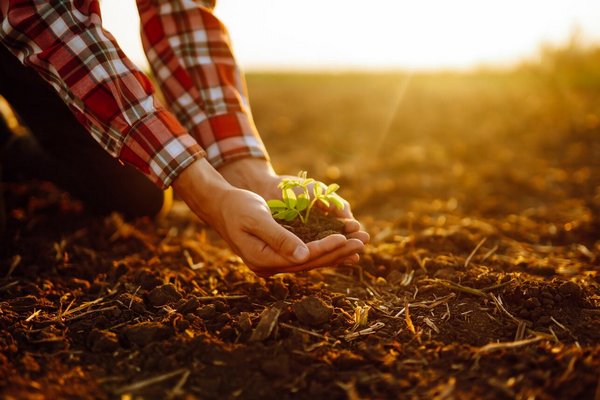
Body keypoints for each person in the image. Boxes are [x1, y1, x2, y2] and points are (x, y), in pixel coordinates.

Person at [0, 0, 369, 277]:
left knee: (134, 191)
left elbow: (179, 13)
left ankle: (9, 149)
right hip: (30, 20)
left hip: (27, 41)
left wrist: (245, 172)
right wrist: (207, 194)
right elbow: (46, 18)